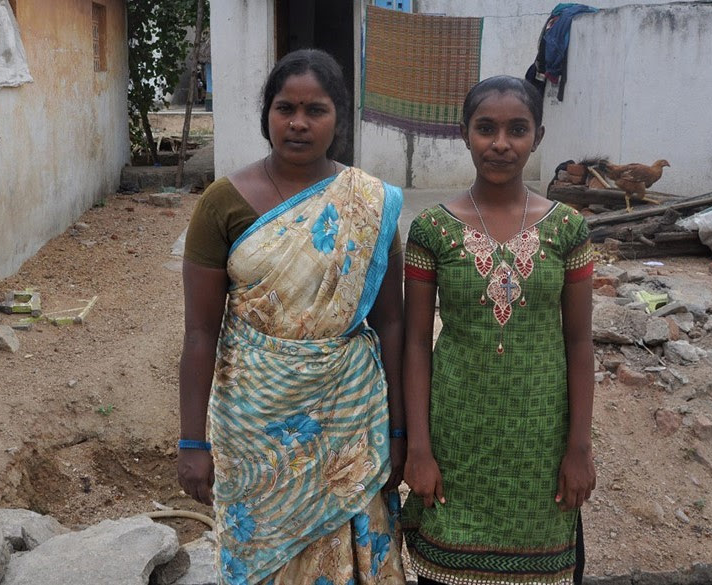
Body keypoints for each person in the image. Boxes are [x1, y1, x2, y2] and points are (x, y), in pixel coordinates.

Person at [177, 48, 407, 585]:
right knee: (261, 557)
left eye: (316, 110)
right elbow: (199, 332)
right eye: (285, 108)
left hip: (348, 418)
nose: (299, 123)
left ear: (339, 119)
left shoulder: (369, 203)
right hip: (253, 425)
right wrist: (192, 442)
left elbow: (393, 323)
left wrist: (398, 430)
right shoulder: (222, 202)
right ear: (267, 115)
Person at [401, 75, 596, 585]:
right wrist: (419, 449)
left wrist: (579, 447)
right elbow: (417, 343)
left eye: (517, 129)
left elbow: (578, 341)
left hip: (542, 441)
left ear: (539, 136)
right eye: (486, 128)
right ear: (463, 133)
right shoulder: (432, 230)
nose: (501, 143)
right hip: (457, 439)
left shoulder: (568, 229)